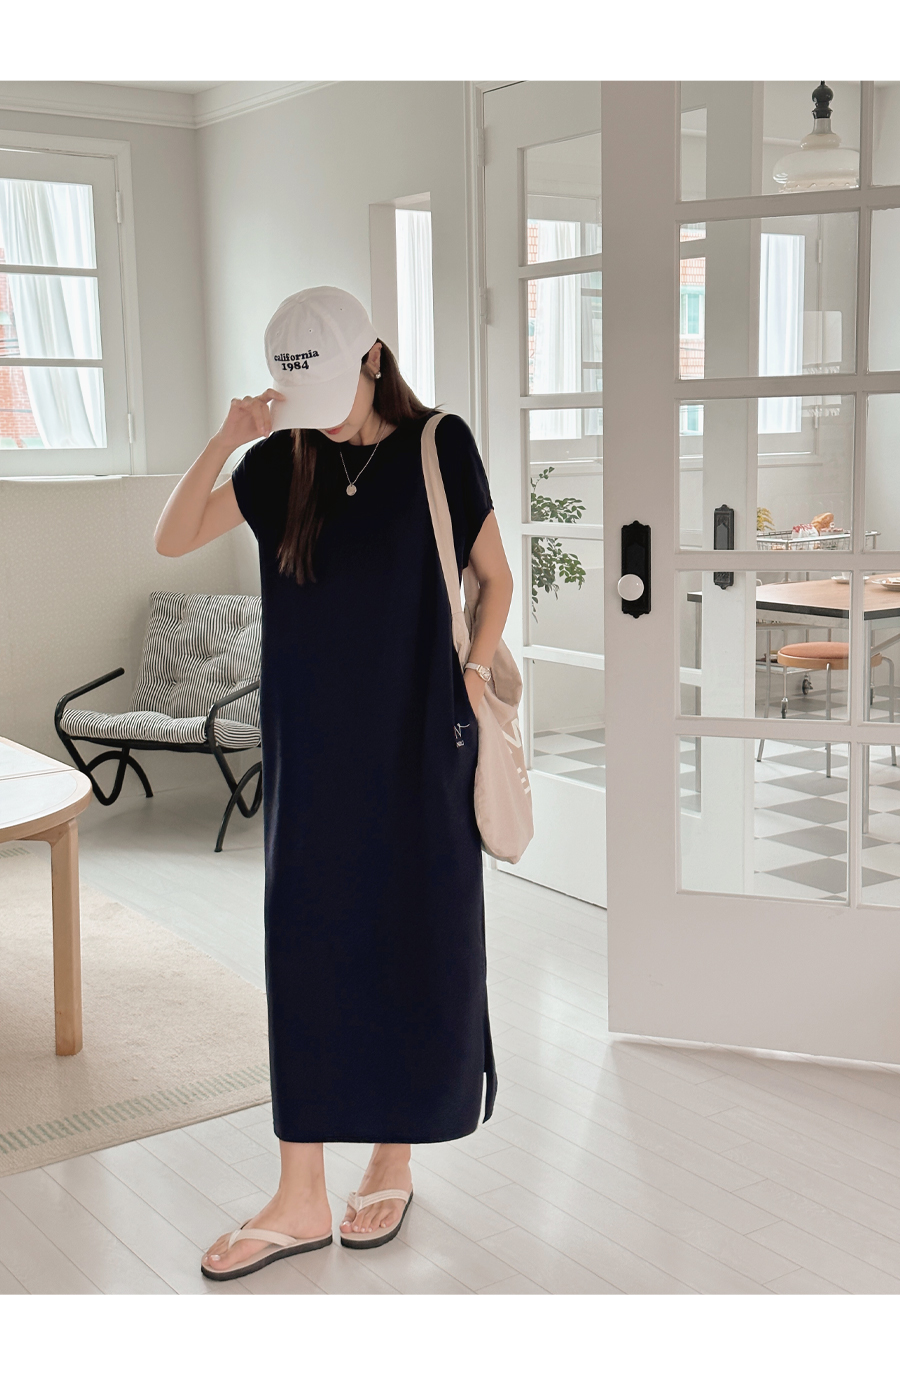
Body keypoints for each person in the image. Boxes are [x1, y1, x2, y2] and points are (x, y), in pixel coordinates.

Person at [154, 285, 514, 1282]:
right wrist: (228, 437)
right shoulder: (280, 460)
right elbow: (173, 536)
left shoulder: (439, 447)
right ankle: (299, 1192)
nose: (321, 420)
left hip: (422, 741)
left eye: (333, 396)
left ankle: (393, 1156)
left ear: (373, 358)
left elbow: (494, 576)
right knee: (307, 951)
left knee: (416, 937)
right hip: (312, 750)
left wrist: (473, 671)